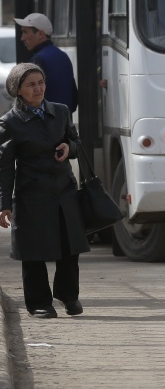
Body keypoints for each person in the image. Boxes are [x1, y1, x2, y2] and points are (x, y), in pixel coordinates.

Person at [0, 63, 88, 318]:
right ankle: (39, 302)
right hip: (32, 195)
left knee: (70, 248)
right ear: (18, 90)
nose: (38, 88)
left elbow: (77, 142)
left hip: (64, 191)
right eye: (31, 84)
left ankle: (68, 295)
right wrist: (4, 203)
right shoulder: (10, 123)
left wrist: (68, 148)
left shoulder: (60, 112)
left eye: (41, 82)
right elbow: (5, 168)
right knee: (34, 251)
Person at [14, 13, 77, 114]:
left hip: (44, 125)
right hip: (64, 124)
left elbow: (31, 100)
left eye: (25, 32)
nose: (22, 38)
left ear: (40, 34)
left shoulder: (37, 60)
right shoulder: (63, 56)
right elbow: (73, 99)